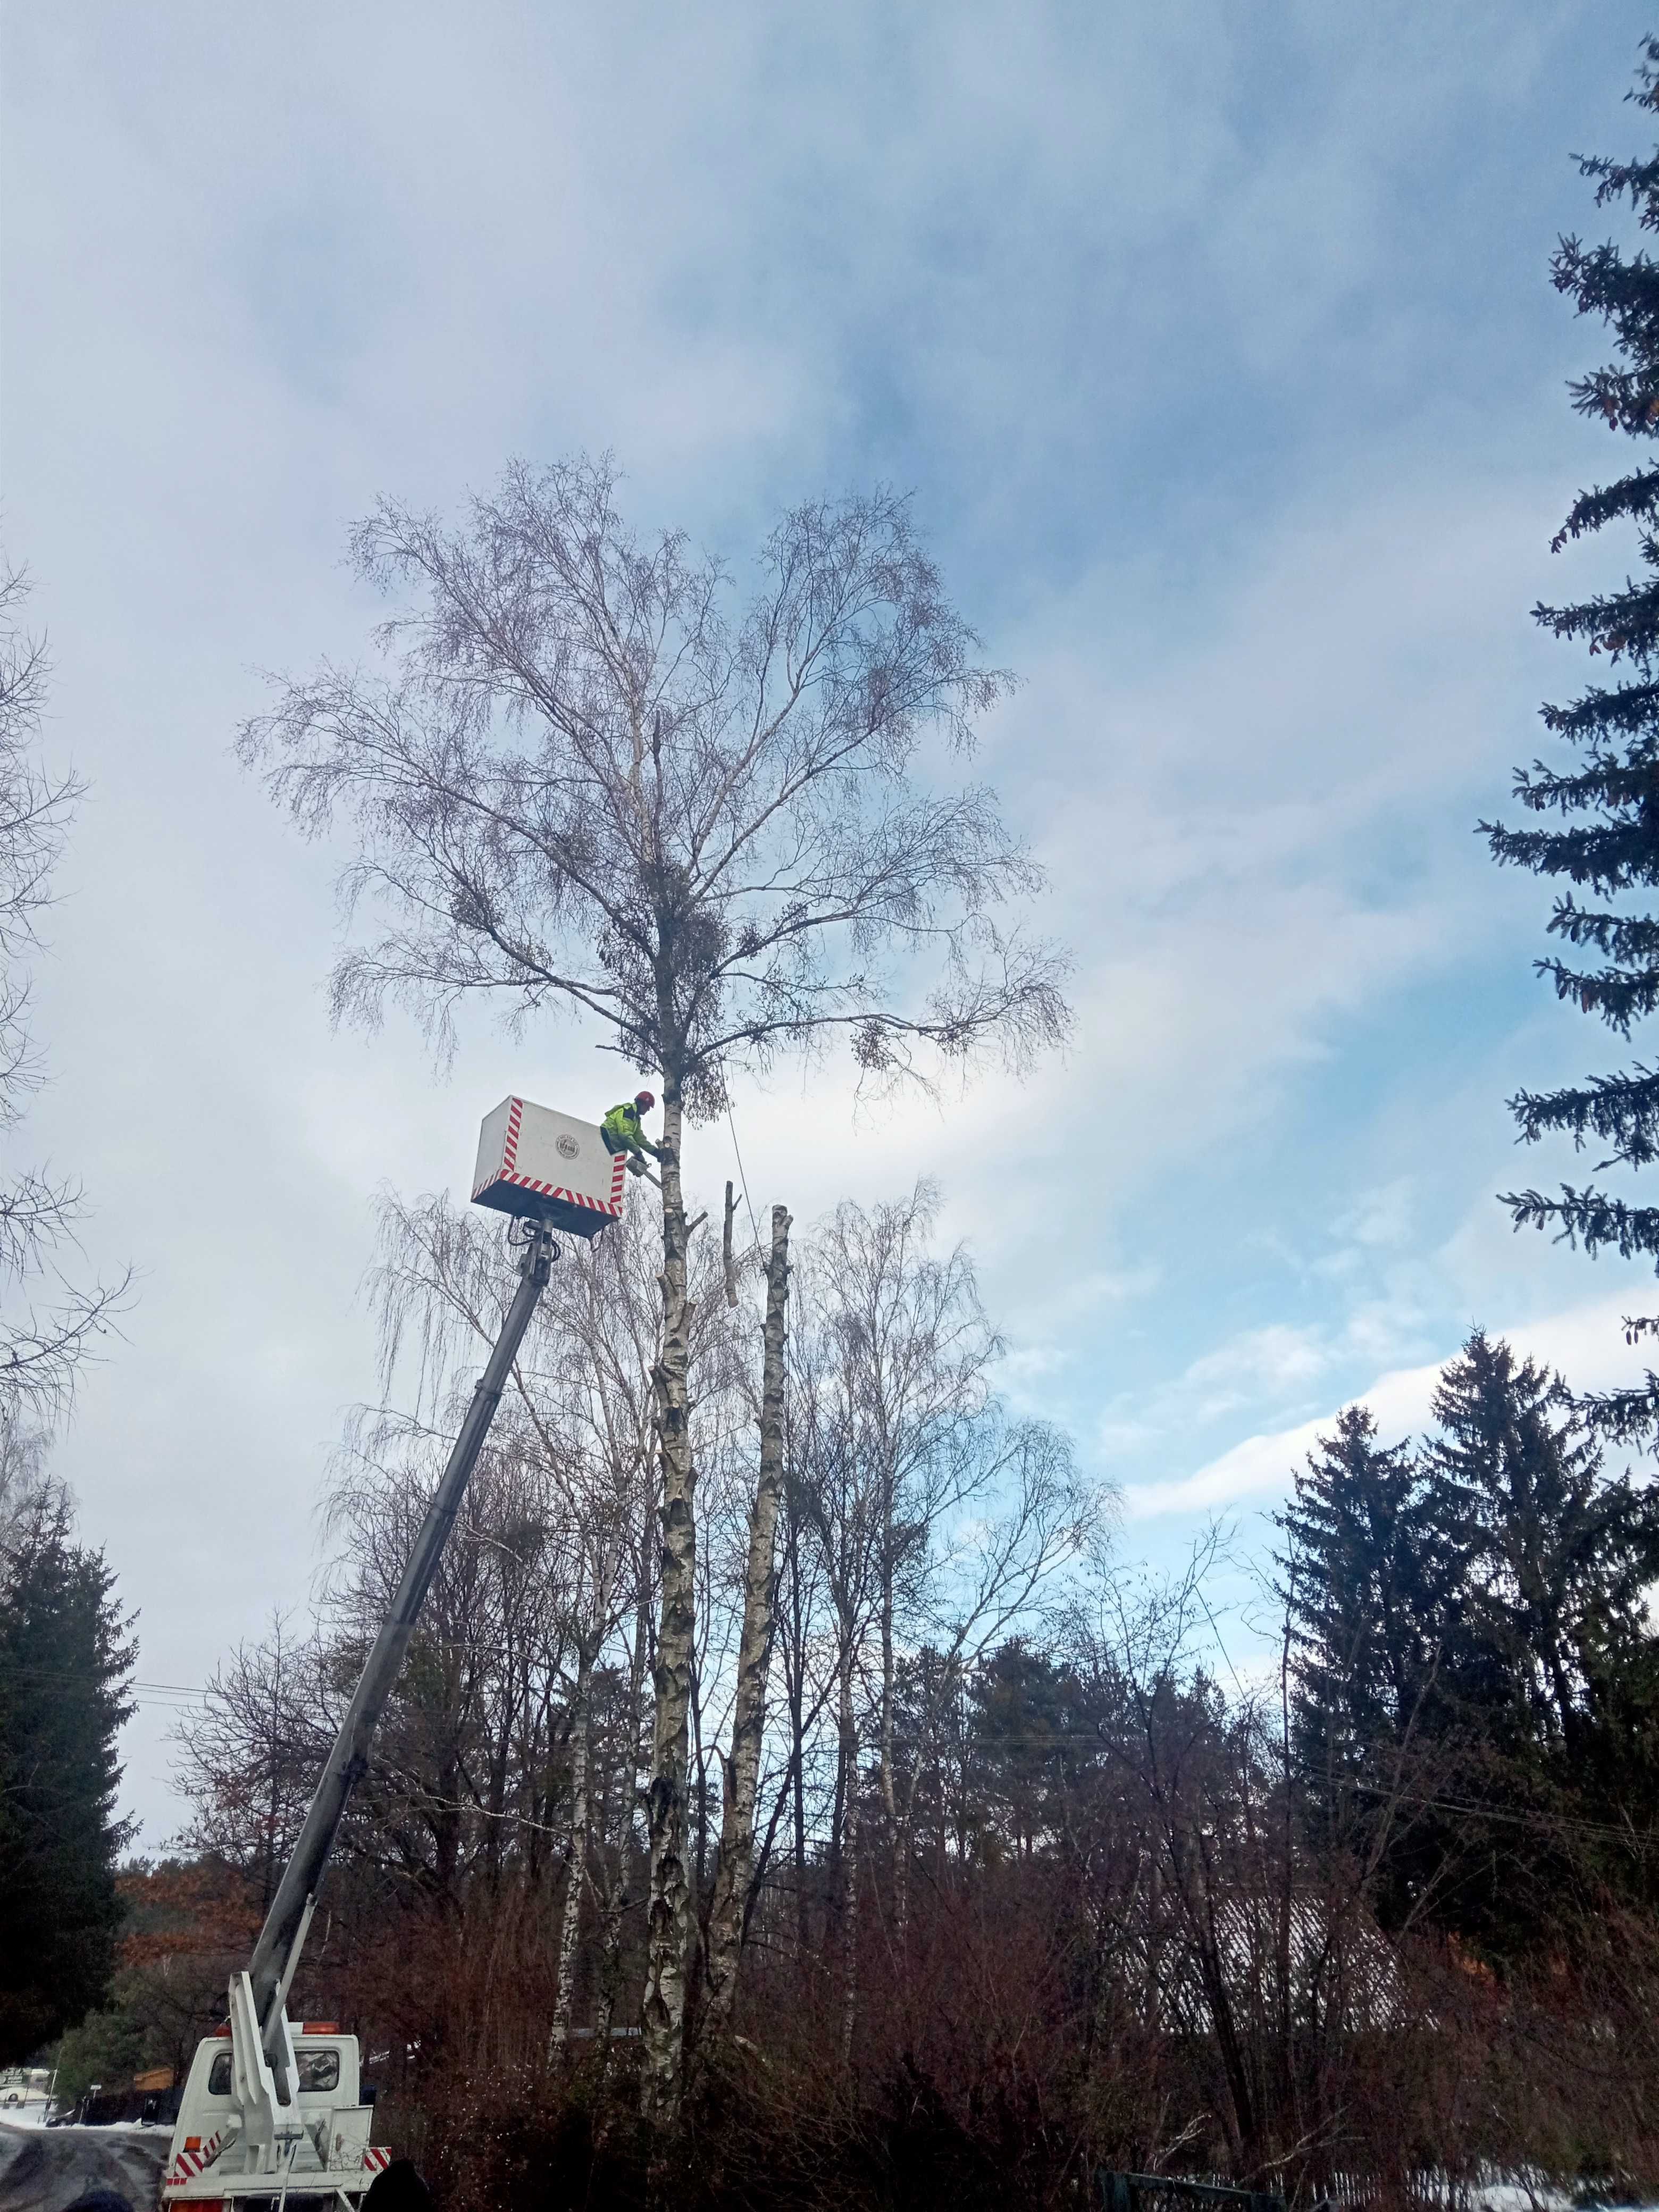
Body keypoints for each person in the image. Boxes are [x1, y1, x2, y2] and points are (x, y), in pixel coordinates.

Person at [600, 1091, 664, 1174]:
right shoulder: (629, 1112)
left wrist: (656, 1153)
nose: (648, 1110)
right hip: (605, 1139)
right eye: (648, 1107)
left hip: (612, 1145)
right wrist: (639, 1154)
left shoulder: (636, 1119)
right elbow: (624, 1135)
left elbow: (640, 1140)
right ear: (641, 1103)